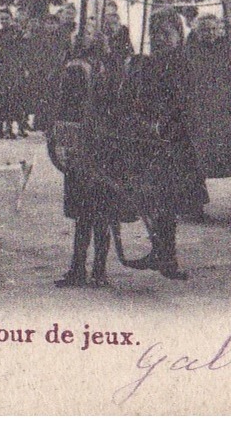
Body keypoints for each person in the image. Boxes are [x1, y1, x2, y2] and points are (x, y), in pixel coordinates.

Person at [48, 35, 136, 288]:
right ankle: (95, 271)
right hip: (101, 149)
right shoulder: (102, 70)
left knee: (88, 214)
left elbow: (68, 109)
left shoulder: (81, 70)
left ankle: (85, 269)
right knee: (99, 215)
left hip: (92, 147)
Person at [118, 8, 199, 281]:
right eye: (155, 34)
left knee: (165, 200)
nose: (160, 39)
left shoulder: (181, 63)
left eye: (166, 34)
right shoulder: (151, 62)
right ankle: (161, 252)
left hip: (172, 138)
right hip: (152, 138)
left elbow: (179, 101)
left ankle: (168, 258)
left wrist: (161, 119)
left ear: (179, 35)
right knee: (154, 199)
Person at [181, 13, 231, 185]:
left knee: (220, 135)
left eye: (214, 29)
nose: (210, 33)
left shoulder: (223, 47)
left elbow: (228, 72)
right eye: (206, 30)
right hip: (201, 97)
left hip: (220, 98)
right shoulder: (192, 48)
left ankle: (218, 167)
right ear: (199, 31)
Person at [0, 8, 24, 139]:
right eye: (2, 18)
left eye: (6, 18)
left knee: (11, 97)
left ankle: (9, 128)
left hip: (12, 68)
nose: (4, 21)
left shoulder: (17, 33)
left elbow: (22, 51)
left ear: (11, 18)